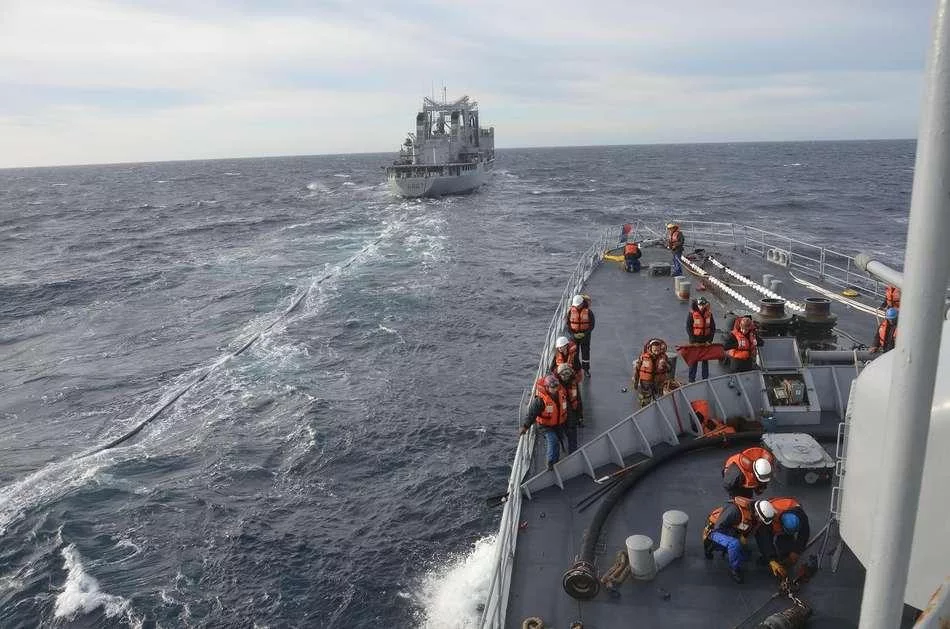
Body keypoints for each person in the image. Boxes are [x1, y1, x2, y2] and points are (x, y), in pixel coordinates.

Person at [703, 497, 776, 583]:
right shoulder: (734, 511)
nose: (761, 522)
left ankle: (720, 547)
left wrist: (771, 559)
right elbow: (718, 527)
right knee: (734, 544)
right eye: (761, 519)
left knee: (746, 556)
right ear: (757, 514)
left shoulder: (753, 515)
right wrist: (736, 537)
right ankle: (734, 569)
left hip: (731, 529)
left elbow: (756, 534)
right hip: (714, 531)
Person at [519, 374, 568, 471]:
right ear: (547, 387)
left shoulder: (560, 395)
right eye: (552, 387)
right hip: (545, 426)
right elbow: (531, 414)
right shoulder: (540, 401)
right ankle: (549, 462)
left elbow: (565, 409)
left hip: (557, 424)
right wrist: (525, 427)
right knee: (552, 439)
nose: (555, 389)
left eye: (556, 386)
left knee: (557, 441)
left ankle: (556, 461)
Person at [755, 497, 811, 580]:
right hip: (772, 522)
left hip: (787, 517)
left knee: (786, 548)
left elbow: (804, 534)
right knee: (766, 544)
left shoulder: (802, 517)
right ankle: (768, 558)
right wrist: (771, 560)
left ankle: (785, 554)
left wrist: (796, 551)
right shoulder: (767, 517)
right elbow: (764, 540)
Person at [686, 297, 716, 382]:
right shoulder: (692, 314)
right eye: (700, 305)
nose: (701, 307)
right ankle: (691, 379)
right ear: (697, 304)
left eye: (703, 305)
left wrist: (710, 341)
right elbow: (689, 328)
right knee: (694, 360)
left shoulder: (709, 314)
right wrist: (693, 341)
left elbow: (712, 328)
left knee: (705, 360)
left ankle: (705, 378)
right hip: (695, 341)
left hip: (705, 341)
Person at [633, 338, 670, 407]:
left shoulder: (664, 357)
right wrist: (635, 381)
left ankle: (657, 409)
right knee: (645, 399)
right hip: (646, 383)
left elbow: (669, 369)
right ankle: (644, 408)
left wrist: (665, 365)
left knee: (658, 398)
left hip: (658, 382)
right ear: (650, 349)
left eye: (658, 350)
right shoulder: (643, 357)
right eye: (655, 350)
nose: (656, 352)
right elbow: (637, 368)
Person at [555, 363, 584, 449]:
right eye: (563, 374)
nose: (565, 376)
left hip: (570, 410)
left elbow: (578, 398)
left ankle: (573, 449)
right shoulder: (555, 384)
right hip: (559, 412)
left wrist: (580, 416)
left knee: (572, 429)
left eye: (567, 374)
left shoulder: (573, 383)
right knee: (561, 431)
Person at [566, 294, 594, 376]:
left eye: (578, 305)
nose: (577, 307)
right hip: (574, 336)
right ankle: (576, 370)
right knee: (575, 353)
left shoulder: (589, 312)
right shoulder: (570, 311)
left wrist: (584, 334)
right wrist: (573, 334)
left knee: (585, 353)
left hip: (585, 336)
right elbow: (568, 324)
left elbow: (592, 325)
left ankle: (586, 370)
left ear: (582, 304)